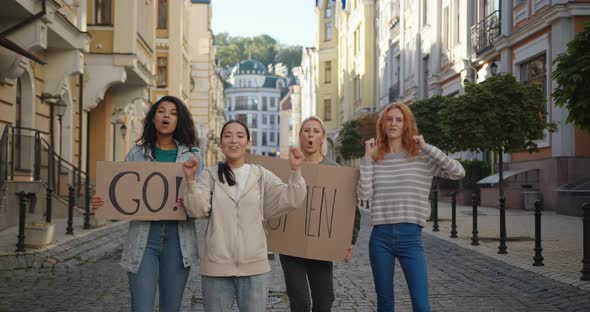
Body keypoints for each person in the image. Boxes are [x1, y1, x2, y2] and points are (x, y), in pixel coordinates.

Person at [91, 95, 204, 312]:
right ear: (153, 118)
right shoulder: (137, 153)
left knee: (170, 308)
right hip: (144, 239)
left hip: (178, 241)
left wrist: (190, 198)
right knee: (141, 307)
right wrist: (104, 201)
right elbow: (123, 195)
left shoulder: (194, 156)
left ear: (179, 121)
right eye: (162, 111)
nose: (166, 116)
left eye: (173, 113)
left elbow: (202, 203)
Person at [181, 120, 306, 312]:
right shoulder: (210, 175)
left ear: (248, 142)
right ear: (221, 143)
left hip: (254, 268)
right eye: (228, 136)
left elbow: (291, 199)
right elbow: (197, 210)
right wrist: (190, 181)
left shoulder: (261, 175)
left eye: (240, 136)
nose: (234, 141)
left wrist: (296, 171)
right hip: (216, 267)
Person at [357, 103, 465, 312]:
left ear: (407, 124)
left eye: (399, 119)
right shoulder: (376, 156)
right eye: (389, 119)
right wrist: (367, 159)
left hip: (411, 237)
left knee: (421, 305)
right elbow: (364, 195)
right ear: (383, 124)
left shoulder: (421, 156)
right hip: (381, 237)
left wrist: (427, 147)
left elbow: (458, 172)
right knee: (385, 304)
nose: (393, 123)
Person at [279, 116, 361, 312]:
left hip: (321, 246)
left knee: (324, 300)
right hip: (291, 246)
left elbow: (350, 209)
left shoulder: (335, 170)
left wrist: (349, 241)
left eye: (316, 131)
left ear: (322, 138)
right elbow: (275, 201)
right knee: (299, 300)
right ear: (300, 135)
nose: (310, 134)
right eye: (306, 130)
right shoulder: (288, 166)